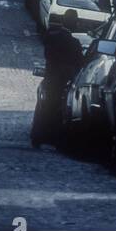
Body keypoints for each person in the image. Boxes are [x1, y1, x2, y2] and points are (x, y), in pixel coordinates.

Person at [31, 8, 85, 146]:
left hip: (50, 80)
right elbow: (80, 64)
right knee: (58, 110)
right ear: (75, 23)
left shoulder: (52, 38)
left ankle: (38, 136)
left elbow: (48, 54)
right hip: (64, 82)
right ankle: (55, 138)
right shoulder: (74, 43)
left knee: (43, 109)